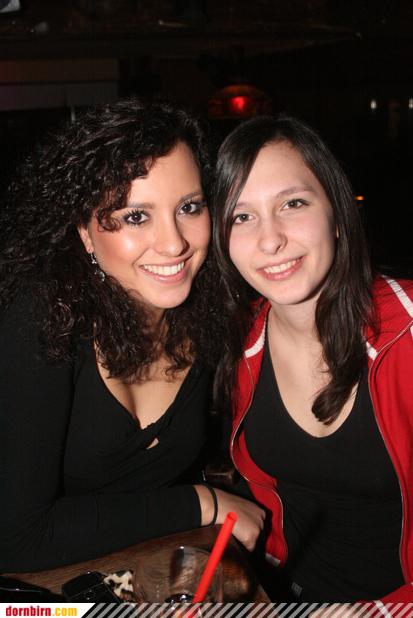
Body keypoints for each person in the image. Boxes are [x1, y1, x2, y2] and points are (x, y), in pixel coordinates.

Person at [0, 99, 264, 573]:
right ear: (85, 232)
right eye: (136, 216)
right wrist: (201, 502)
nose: (174, 243)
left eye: (189, 207)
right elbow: (15, 537)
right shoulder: (44, 317)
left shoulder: (210, 314)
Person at [213, 114, 413, 604]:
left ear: (338, 215)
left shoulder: (408, 335)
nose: (270, 240)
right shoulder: (236, 345)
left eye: (293, 203)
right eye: (242, 216)